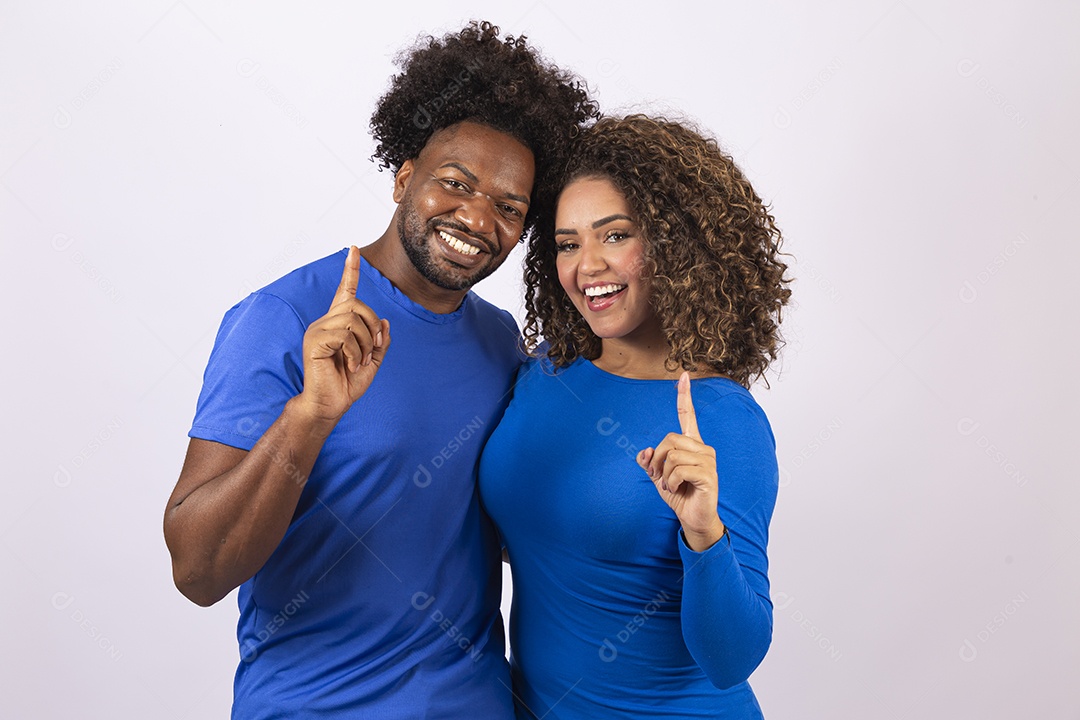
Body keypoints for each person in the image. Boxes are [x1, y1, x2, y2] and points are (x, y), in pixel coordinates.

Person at [163, 21, 597, 719]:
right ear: (403, 177)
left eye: (509, 207)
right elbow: (198, 571)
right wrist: (310, 416)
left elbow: (496, 524)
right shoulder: (284, 317)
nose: (476, 218)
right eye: (454, 183)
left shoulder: (499, 340)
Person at [478, 115, 792, 718]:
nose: (587, 265)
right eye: (568, 244)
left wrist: (704, 534)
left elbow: (732, 660)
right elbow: (542, 537)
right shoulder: (547, 370)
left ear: (676, 245)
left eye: (615, 235)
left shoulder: (724, 419)